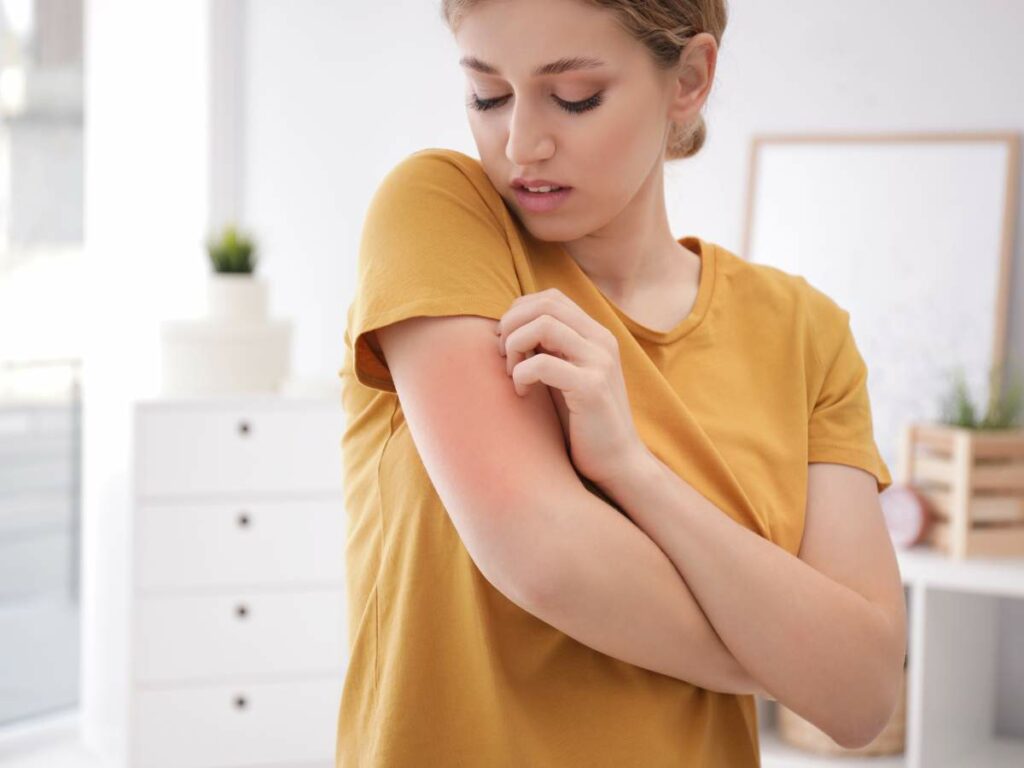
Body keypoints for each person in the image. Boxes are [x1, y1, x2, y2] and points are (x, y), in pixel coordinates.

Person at [337, 0, 906, 765]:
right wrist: (800, 657)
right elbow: (544, 558)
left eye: (574, 98)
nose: (520, 143)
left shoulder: (805, 334)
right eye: (488, 95)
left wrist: (631, 470)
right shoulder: (440, 214)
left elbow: (866, 696)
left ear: (690, 79)